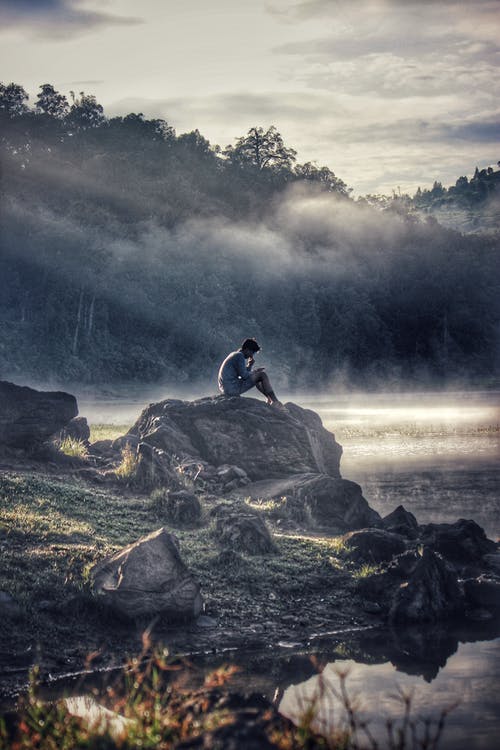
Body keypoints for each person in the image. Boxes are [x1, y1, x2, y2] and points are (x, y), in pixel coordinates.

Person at [218, 338, 283, 407]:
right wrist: (255, 371)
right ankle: (275, 401)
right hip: (231, 388)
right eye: (252, 352)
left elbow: (243, 374)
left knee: (258, 377)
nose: (252, 355)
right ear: (247, 350)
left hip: (227, 387)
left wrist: (249, 365)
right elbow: (244, 376)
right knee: (262, 375)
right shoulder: (239, 356)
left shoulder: (235, 354)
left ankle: (270, 399)